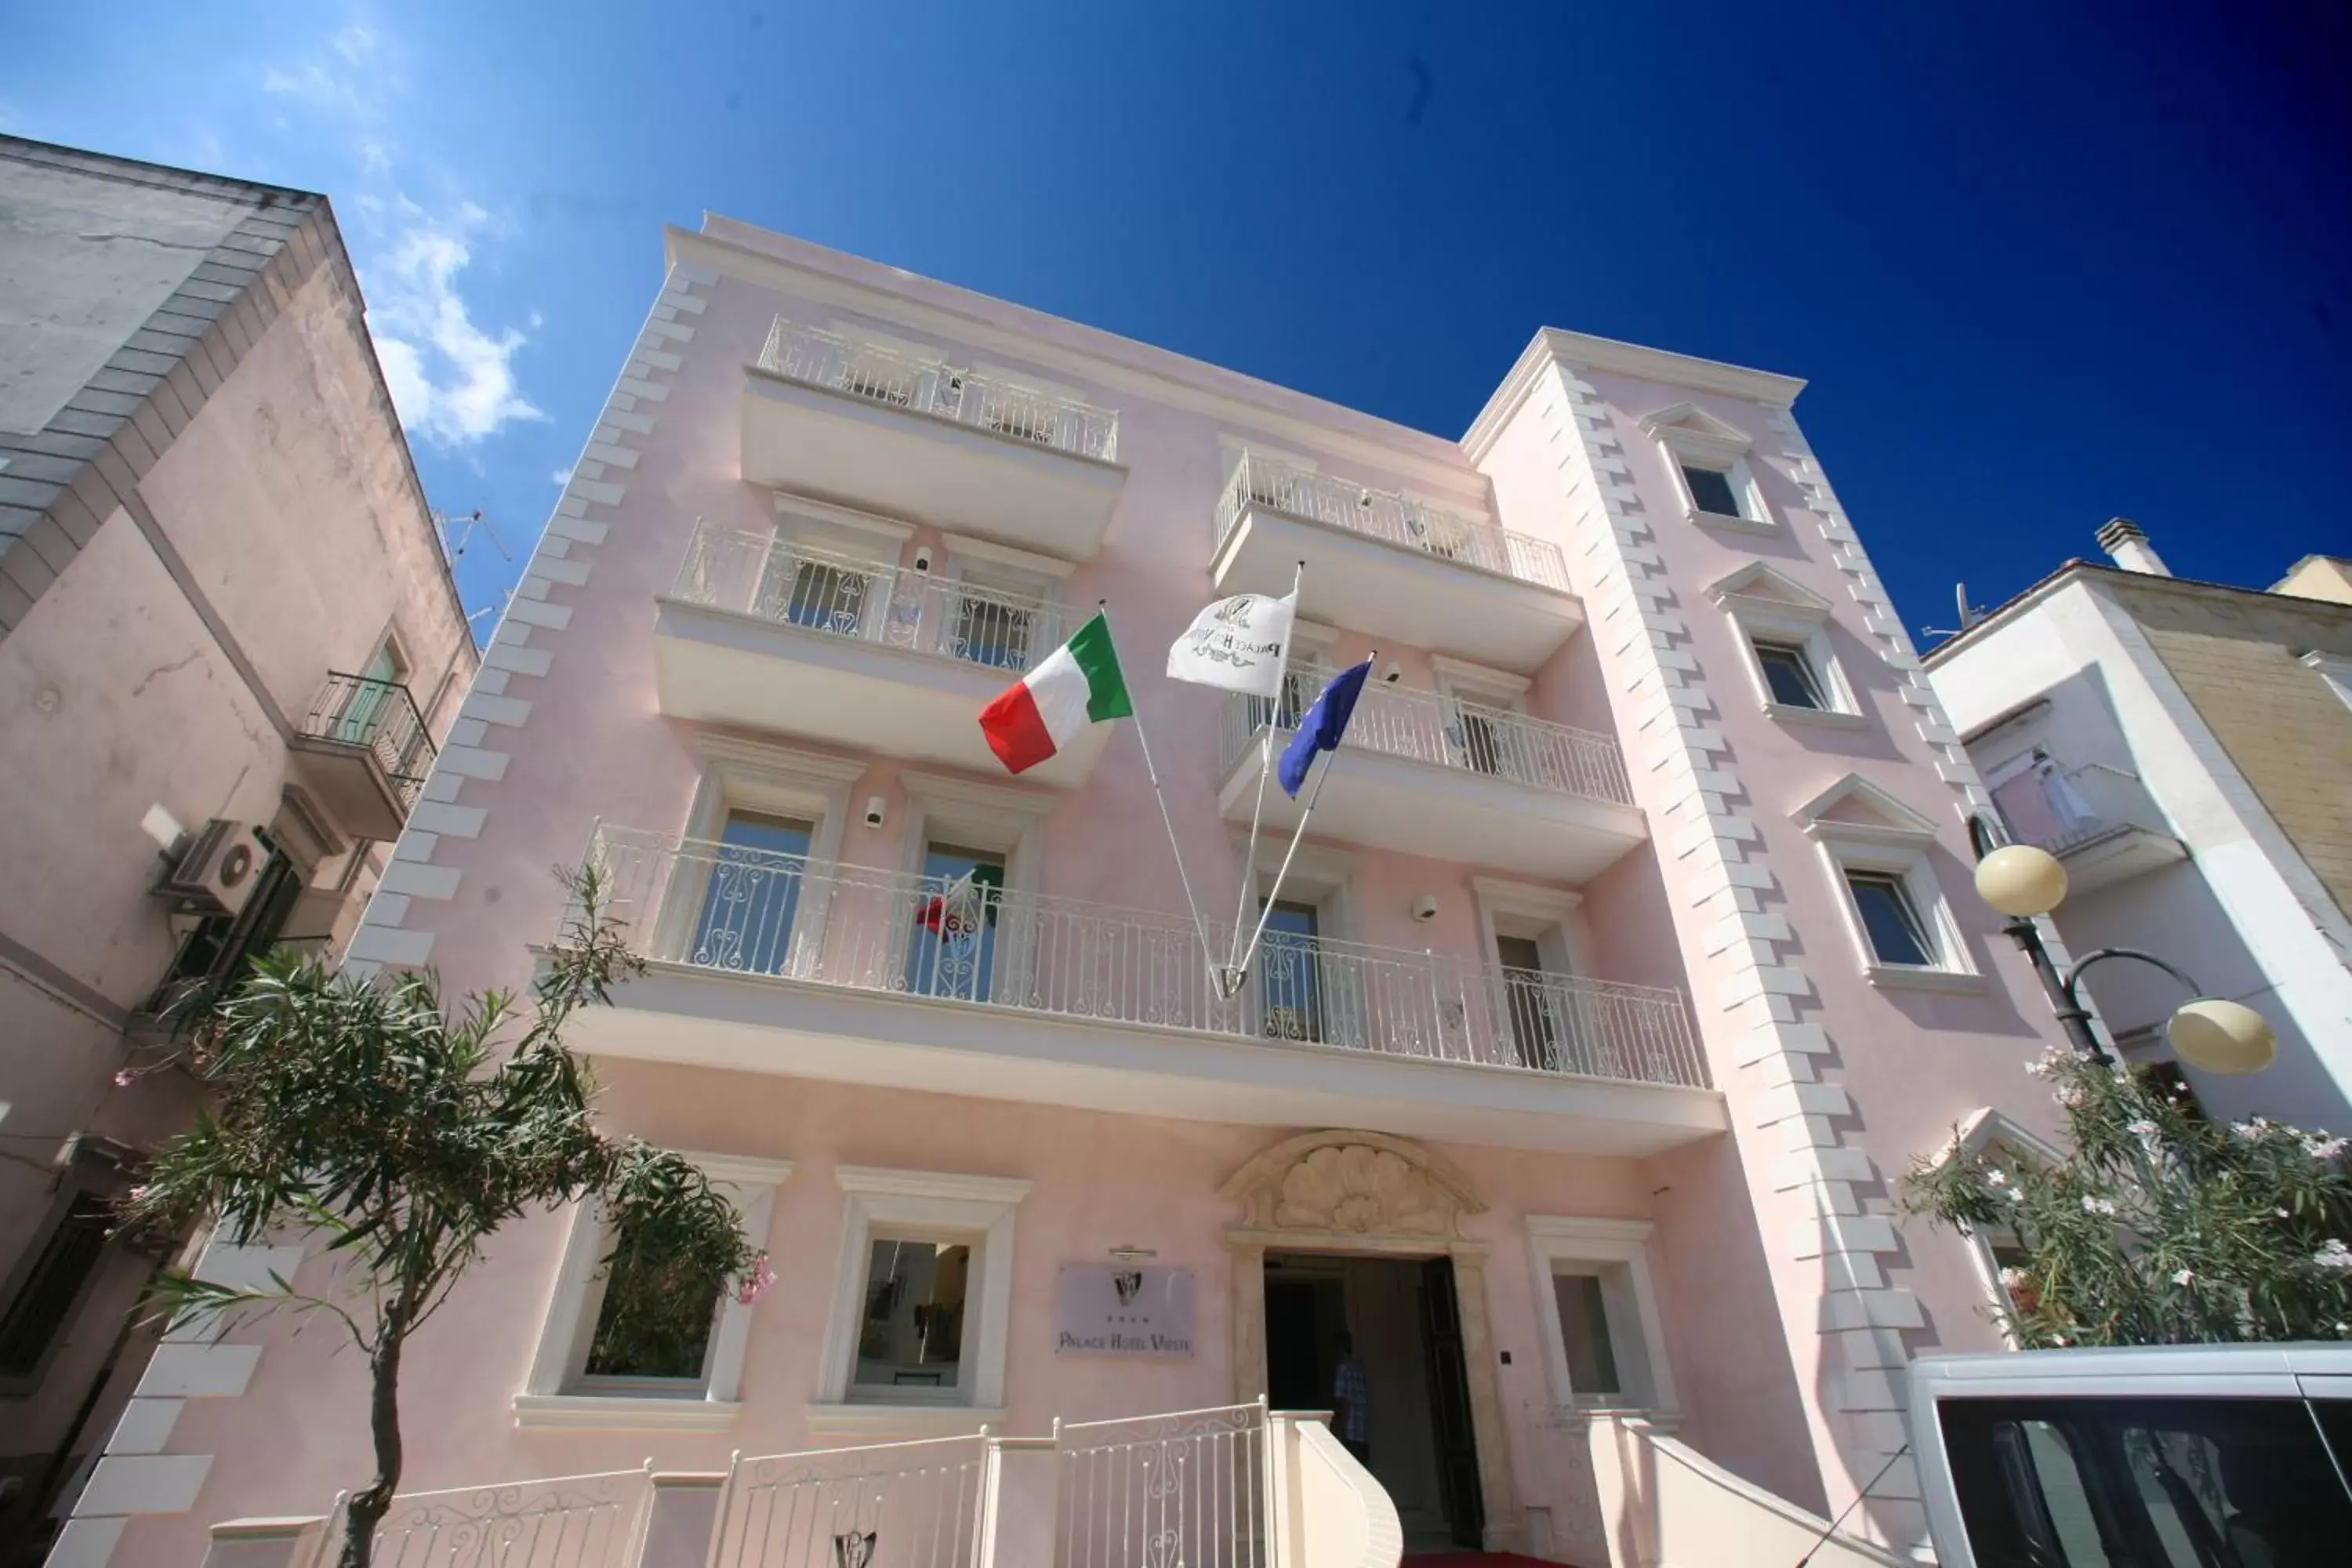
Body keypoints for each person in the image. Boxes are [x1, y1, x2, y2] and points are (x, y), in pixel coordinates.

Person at [1331, 1330, 1370, 1465]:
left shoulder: (1343, 1368)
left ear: (1339, 1347)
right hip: (1363, 1432)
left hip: (1349, 1432)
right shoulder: (1358, 1367)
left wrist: (1338, 1428)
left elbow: (1343, 1401)